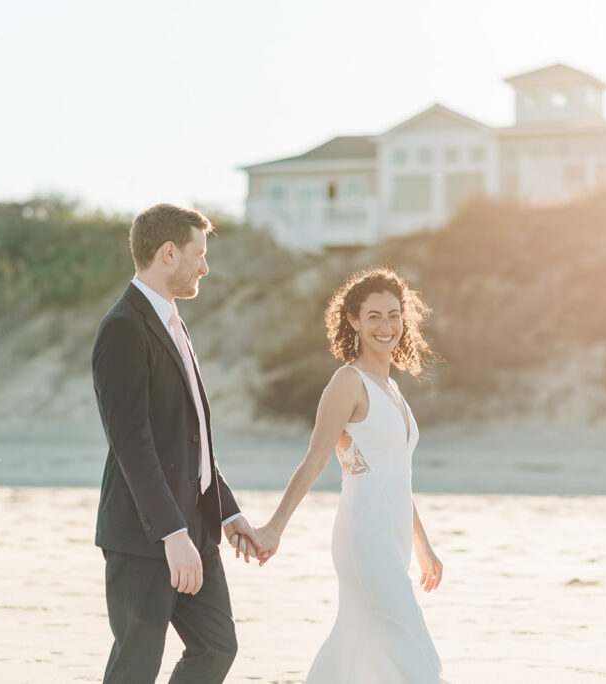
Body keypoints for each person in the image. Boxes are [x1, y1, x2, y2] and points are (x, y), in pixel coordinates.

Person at [238, 266, 449, 683]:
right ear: (353, 319)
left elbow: (397, 478)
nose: (386, 326)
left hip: (394, 539)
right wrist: (274, 528)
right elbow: (314, 460)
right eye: (374, 316)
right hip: (364, 536)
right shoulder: (347, 382)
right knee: (413, 647)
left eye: (393, 315)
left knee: (358, 644)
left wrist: (423, 546)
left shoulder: (392, 387)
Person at [90, 203, 262, 684]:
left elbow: (193, 439)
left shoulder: (173, 322)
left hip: (196, 530)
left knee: (216, 647)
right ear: (169, 253)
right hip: (146, 536)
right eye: (198, 254)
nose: (205, 266)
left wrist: (226, 511)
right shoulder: (123, 328)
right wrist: (171, 533)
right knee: (136, 665)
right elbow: (132, 443)